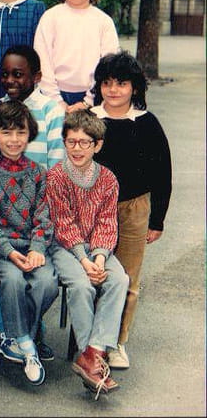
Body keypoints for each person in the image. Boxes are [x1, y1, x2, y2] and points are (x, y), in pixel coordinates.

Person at [0, 45, 64, 362]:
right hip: (3, 221)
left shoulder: (52, 111)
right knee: (7, 277)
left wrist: (39, 241)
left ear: (36, 77)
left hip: (37, 216)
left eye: (18, 74)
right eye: (5, 74)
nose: (10, 80)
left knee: (43, 280)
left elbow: (56, 169)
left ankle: (26, 331)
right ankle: (2, 331)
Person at [91, 52, 171, 370]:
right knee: (95, 274)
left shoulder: (147, 124)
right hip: (94, 210)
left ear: (134, 87)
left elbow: (162, 173)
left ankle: (116, 342)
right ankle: (92, 340)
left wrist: (157, 219)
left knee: (127, 278)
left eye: (121, 84)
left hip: (135, 208)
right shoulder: (90, 120)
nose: (113, 90)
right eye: (107, 83)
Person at [0, 100, 57, 386]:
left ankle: (16, 336)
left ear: (29, 134)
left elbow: (44, 217)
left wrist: (37, 249)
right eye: (6, 132)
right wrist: (10, 253)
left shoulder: (38, 173)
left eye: (20, 132)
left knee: (47, 282)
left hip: (32, 247)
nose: (14, 139)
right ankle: (27, 345)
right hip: (1, 251)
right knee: (13, 280)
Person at [46, 110, 128, 398]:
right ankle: (91, 358)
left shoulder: (108, 179)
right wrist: (84, 260)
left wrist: (100, 259)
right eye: (71, 142)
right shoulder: (56, 177)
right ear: (64, 143)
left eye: (84, 142)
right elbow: (63, 223)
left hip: (98, 248)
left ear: (97, 145)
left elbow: (107, 222)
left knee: (119, 279)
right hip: (64, 248)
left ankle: (93, 352)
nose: (77, 148)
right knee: (82, 285)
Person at [34, 0, 119, 112]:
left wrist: (88, 101)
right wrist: (57, 101)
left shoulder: (104, 22)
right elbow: (42, 61)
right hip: (52, 96)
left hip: (95, 96)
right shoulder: (50, 18)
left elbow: (109, 64)